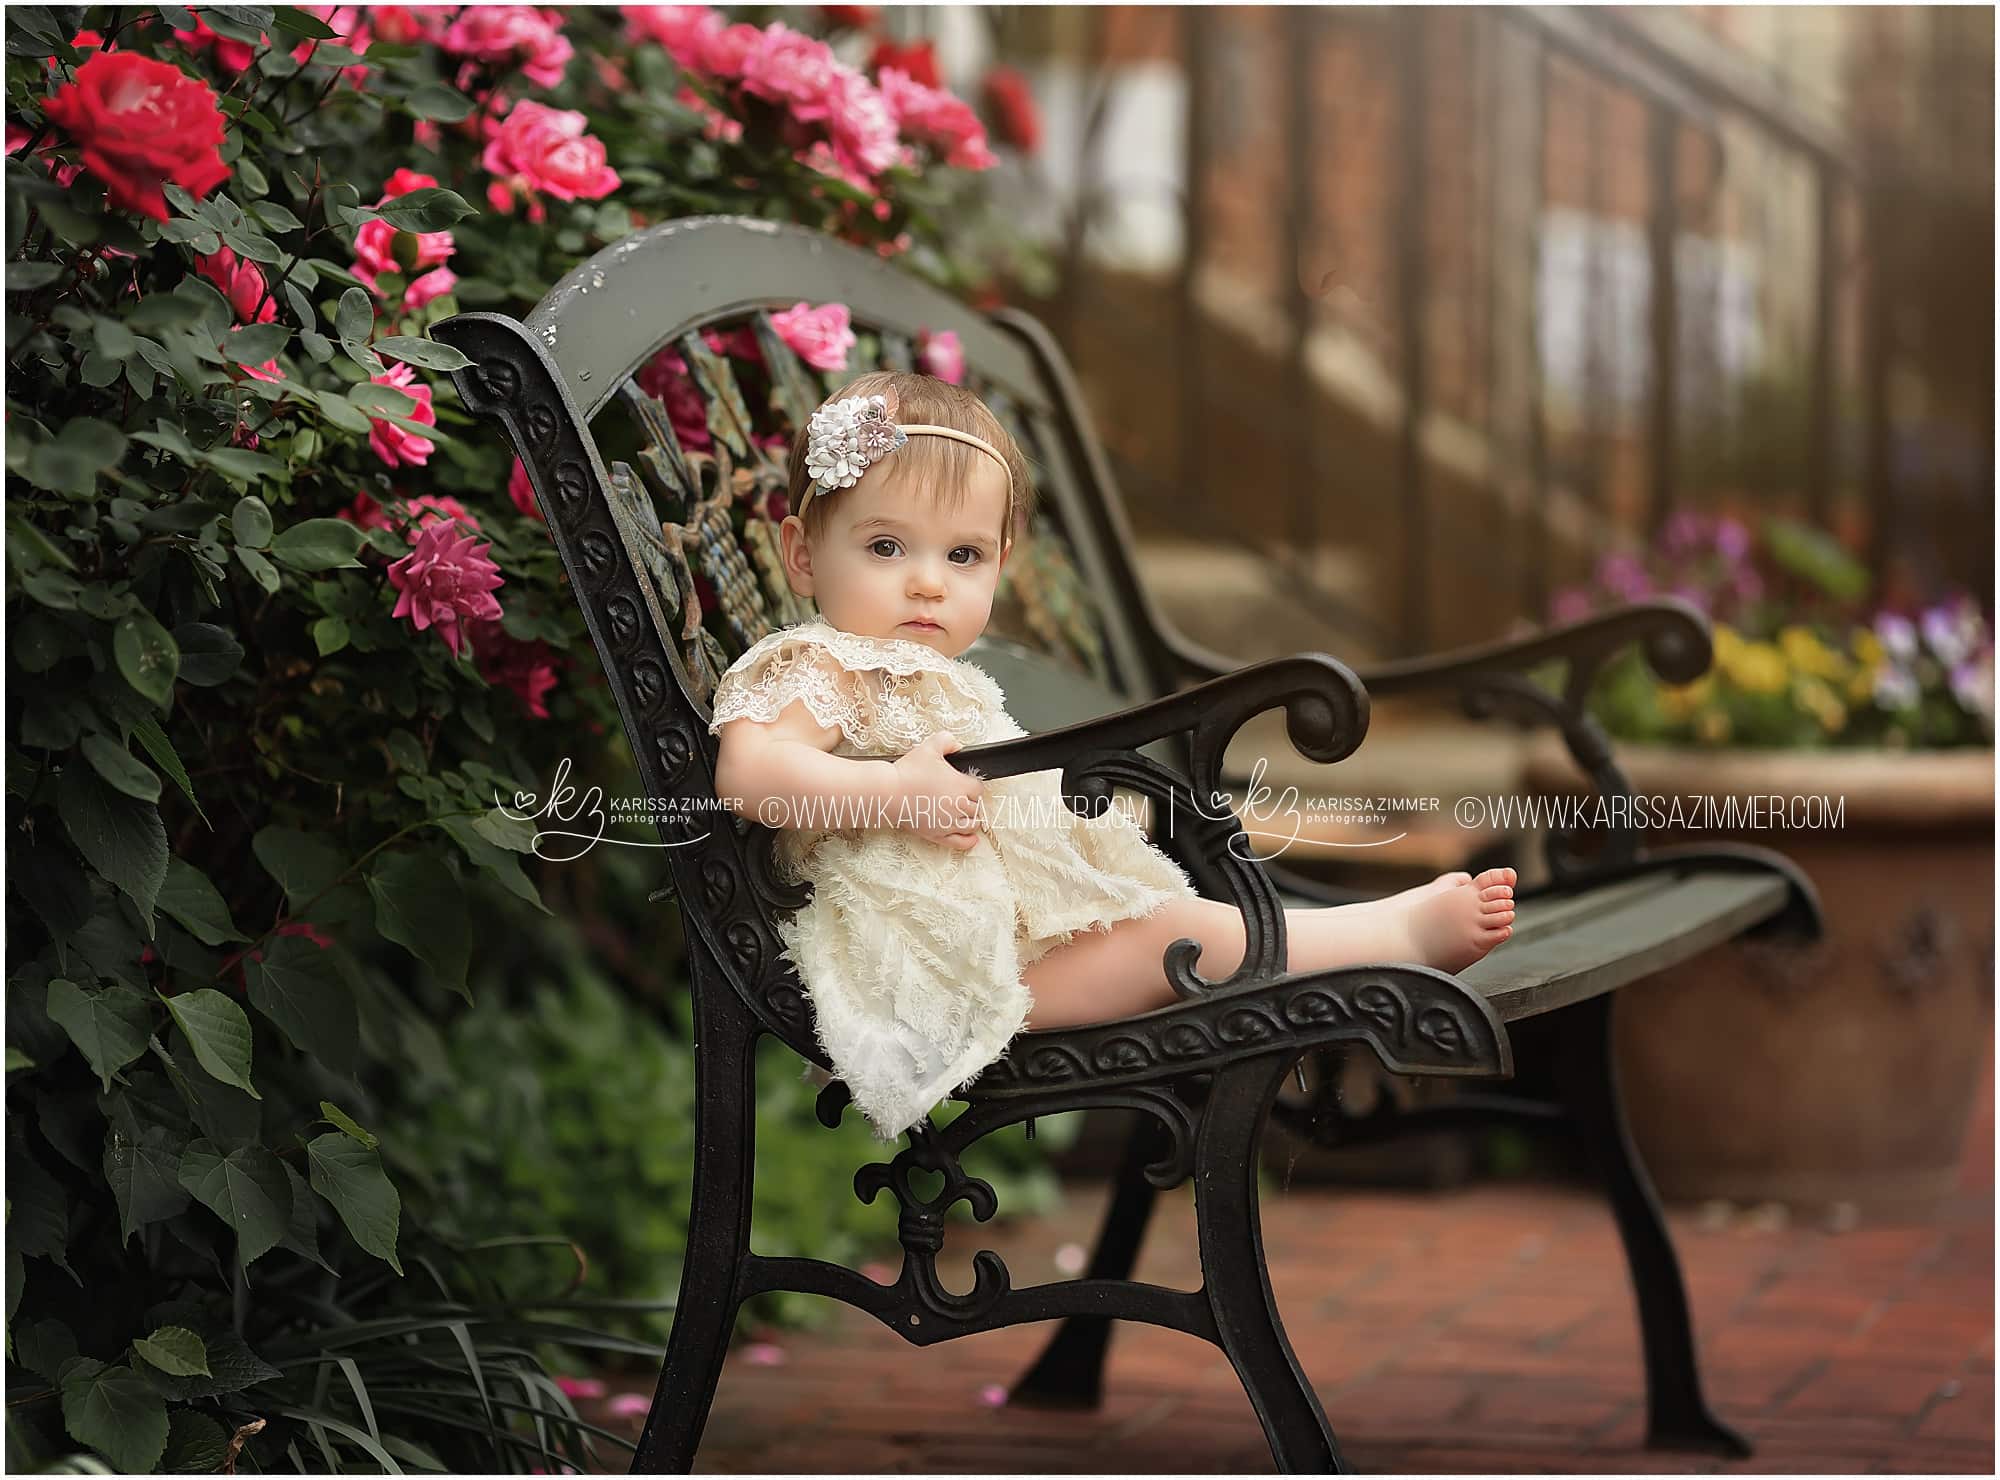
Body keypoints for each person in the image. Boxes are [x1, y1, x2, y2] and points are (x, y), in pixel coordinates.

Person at [709, 370, 1515, 1138]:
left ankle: (1371, 933)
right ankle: (1389, 943)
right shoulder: (820, 664)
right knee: (1173, 941)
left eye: (963, 557)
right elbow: (748, 772)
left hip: (994, 942)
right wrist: (891, 793)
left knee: (1165, 932)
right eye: (887, 547)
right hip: (933, 975)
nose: (928, 584)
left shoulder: (921, 672)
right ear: (804, 553)